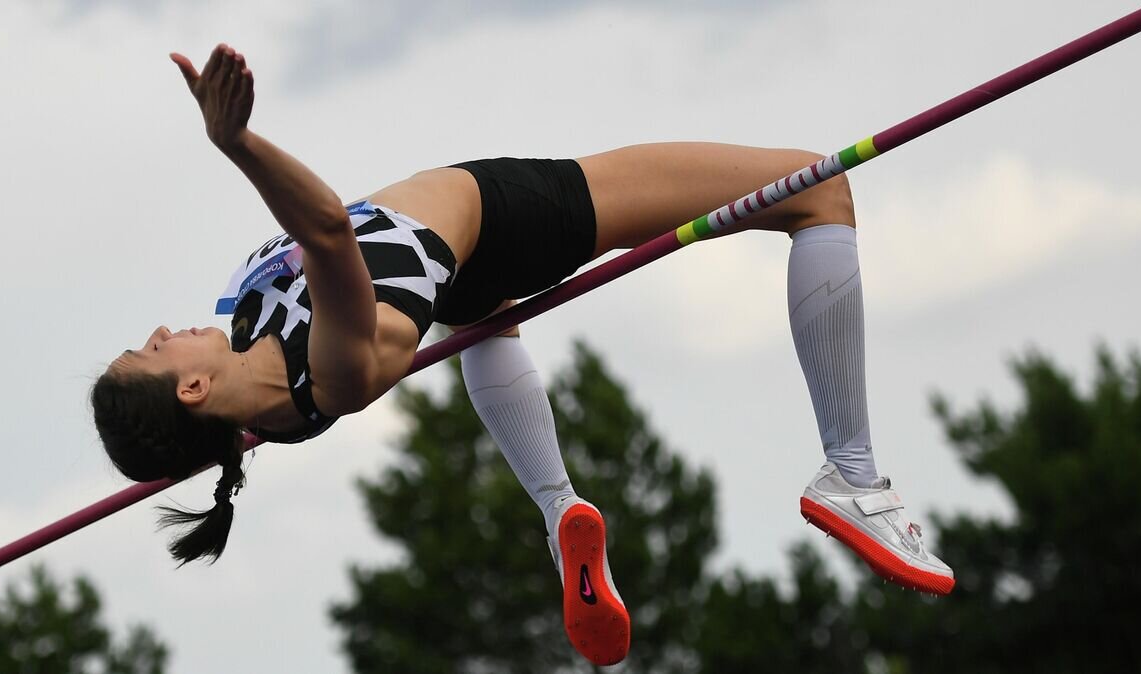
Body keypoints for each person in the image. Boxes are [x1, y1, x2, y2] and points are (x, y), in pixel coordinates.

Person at [90, 44, 953, 666]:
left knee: (485, 319)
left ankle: (559, 511)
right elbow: (323, 232)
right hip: (503, 217)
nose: (161, 331)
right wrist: (238, 143)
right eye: (151, 350)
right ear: (193, 388)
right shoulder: (332, 371)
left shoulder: (247, 363)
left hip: (459, 277)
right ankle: (852, 475)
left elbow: (212, 415)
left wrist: (192, 440)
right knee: (816, 187)